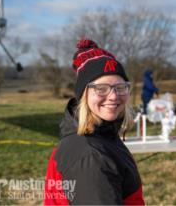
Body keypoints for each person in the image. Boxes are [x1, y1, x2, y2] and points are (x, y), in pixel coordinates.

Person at [44, 39, 145, 205]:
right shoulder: (91, 156)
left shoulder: (101, 135)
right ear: (84, 94)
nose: (113, 96)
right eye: (101, 88)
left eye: (120, 87)